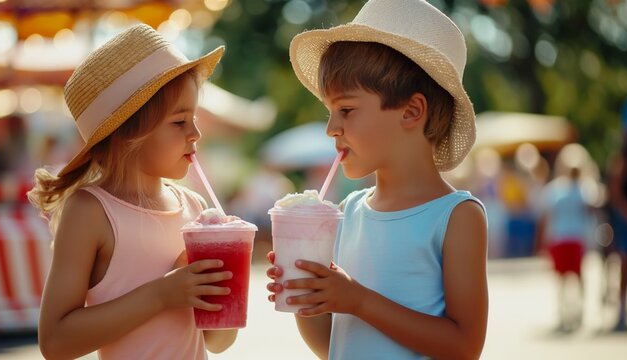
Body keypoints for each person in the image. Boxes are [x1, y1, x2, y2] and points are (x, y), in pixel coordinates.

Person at [266, 1, 488, 358]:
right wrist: (306, 296)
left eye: (346, 110)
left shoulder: (457, 216)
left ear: (412, 111)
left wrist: (357, 300)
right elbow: (331, 346)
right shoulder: (344, 214)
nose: (331, 128)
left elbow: (464, 347)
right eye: (330, 112)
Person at [27, 24, 235, 359]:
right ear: (128, 133)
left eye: (194, 118)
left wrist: (226, 288)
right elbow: (55, 341)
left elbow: (218, 342)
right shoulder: (90, 211)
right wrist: (162, 294)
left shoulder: (197, 210)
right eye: (179, 122)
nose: (195, 133)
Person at [538, 161, 592, 332]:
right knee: (576, 276)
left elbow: (547, 216)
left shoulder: (557, 190)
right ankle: (576, 311)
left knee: (564, 277)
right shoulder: (584, 190)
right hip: (573, 237)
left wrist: (543, 240)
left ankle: (566, 312)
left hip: (562, 237)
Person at [608, 137, 627, 331]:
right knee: (625, 264)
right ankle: (622, 311)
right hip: (626, 221)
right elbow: (615, 192)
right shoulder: (623, 162)